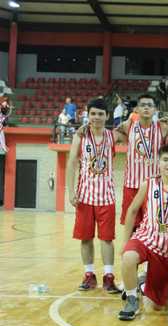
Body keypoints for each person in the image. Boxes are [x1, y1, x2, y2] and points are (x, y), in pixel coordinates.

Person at [118, 144, 168, 321]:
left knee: (158, 305)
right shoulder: (148, 184)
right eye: (165, 159)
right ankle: (132, 298)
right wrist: (125, 241)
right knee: (128, 256)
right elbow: (132, 210)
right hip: (147, 238)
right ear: (158, 162)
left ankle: (163, 291)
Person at [66, 98, 119, 294]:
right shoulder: (80, 137)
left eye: (100, 114)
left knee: (107, 239)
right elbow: (71, 163)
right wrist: (71, 191)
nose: (96, 117)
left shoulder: (114, 136)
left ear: (107, 116)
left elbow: (133, 126)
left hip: (107, 197)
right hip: (85, 196)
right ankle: (89, 275)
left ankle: (108, 276)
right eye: (93, 113)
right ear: (87, 115)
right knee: (85, 239)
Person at [112, 93, 168, 226]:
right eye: (143, 105)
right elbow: (110, 134)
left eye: (150, 105)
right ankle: (128, 247)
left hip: (154, 186)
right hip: (131, 185)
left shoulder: (162, 127)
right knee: (131, 224)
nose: (146, 108)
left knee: (154, 224)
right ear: (137, 109)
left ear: (155, 109)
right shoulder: (128, 126)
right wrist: (87, 128)